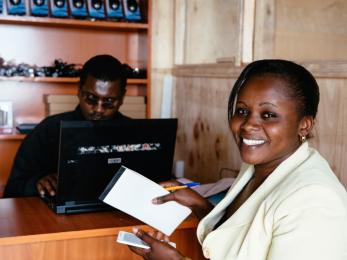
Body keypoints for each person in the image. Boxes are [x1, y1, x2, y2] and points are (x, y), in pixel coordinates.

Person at [128, 59, 347, 260]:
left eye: (268, 115)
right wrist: (197, 203)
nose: (248, 125)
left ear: (304, 125)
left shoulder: (315, 202)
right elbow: (245, 235)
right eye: (242, 111)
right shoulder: (259, 165)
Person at [4, 54, 130, 198]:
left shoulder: (136, 133)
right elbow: (13, 188)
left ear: (122, 98)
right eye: (91, 99)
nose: (98, 110)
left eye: (108, 101)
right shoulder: (49, 129)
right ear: (79, 90)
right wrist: (37, 183)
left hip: (116, 218)